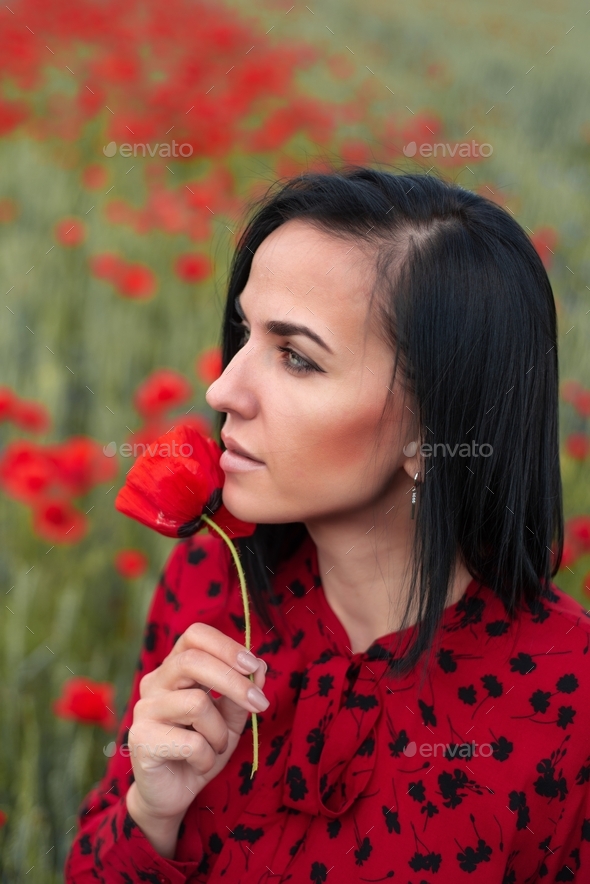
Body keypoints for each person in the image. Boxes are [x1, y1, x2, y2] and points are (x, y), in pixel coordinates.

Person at [64, 168, 590, 883]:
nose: (222, 390)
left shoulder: (568, 704)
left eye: (296, 357)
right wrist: (151, 813)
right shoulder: (214, 584)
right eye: (246, 332)